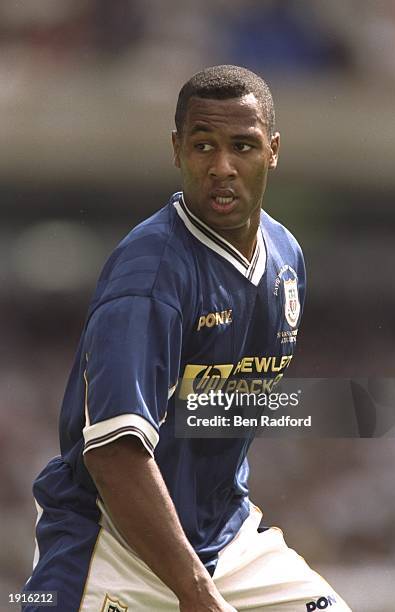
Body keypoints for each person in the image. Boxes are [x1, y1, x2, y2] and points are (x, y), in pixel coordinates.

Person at [23, 65, 351, 611]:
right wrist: (197, 595)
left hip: (228, 546)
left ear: (272, 150)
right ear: (177, 150)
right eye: (204, 145)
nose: (222, 167)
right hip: (116, 552)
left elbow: (214, 407)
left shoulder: (286, 256)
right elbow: (114, 452)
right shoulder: (150, 274)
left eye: (242, 146)